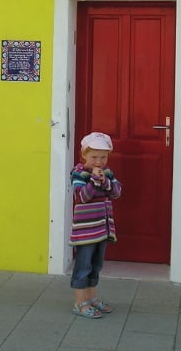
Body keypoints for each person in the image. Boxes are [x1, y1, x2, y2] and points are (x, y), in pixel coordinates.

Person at [69, 131, 122, 319]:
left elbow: (116, 192)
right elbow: (82, 197)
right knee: (83, 266)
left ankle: (91, 298)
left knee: (95, 265)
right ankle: (79, 302)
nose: (99, 161)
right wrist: (93, 180)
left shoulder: (107, 174)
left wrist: (105, 180)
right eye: (94, 157)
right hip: (86, 230)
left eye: (103, 157)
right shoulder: (79, 173)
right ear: (84, 155)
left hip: (102, 228)